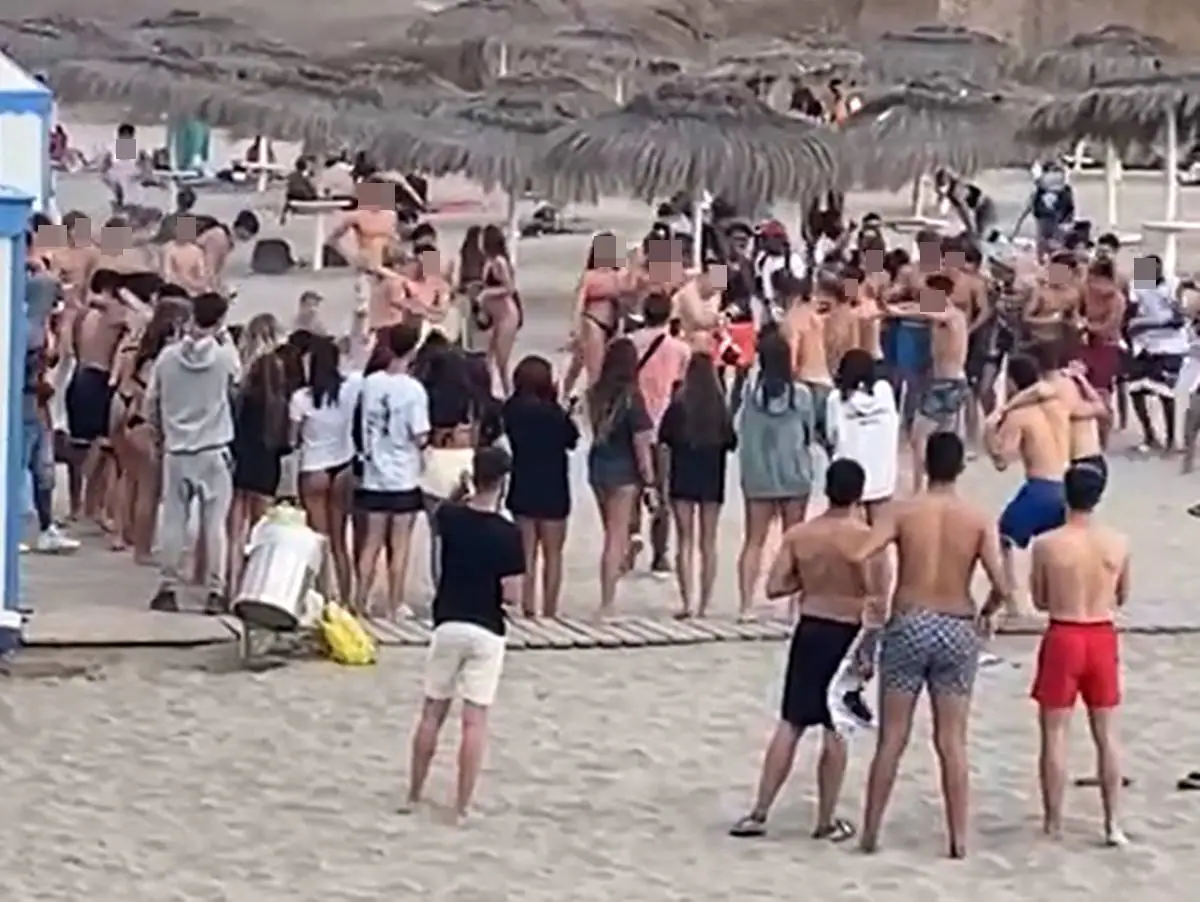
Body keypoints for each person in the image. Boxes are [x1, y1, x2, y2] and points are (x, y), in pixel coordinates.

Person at [851, 432, 1011, 858]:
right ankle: (958, 838)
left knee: (892, 737)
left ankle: (870, 833)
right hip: (956, 623)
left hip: (909, 620)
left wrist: (874, 599)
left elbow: (864, 550)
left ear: (926, 464)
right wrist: (989, 610)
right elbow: (1002, 582)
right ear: (959, 467)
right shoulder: (977, 518)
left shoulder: (903, 511)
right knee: (952, 739)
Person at [729, 459, 890, 842]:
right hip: (847, 631)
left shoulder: (802, 536)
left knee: (792, 721)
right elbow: (879, 597)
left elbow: (775, 586)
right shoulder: (867, 539)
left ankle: (760, 810)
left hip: (811, 625)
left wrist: (809, 579)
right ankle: (825, 818)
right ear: (859, 494)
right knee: (836, 727)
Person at [402, 446, 525, 824]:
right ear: (503, 481)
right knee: (474, 720)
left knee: (432, 711)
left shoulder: (451, 517)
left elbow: (449, 508)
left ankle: (415, 791)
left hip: (449, 620)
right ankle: (462, 805)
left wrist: (461, 489)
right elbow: (513, 594)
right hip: (486, 626)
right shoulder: (508, 533)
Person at [1029, 463, 1129, 846]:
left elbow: (1039, 599)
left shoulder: (1048, 544)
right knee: (1106, 733)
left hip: (1064, 631)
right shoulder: (1117, 543)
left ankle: (1054, 820)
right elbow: (1122, 595)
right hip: (1101, 633)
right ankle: (1112, 822)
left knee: (1055, 732)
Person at [145, 291, 241, 614]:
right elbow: (237, 381)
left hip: (177, 448)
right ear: (221, 321)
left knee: (173, 521)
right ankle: (215, 591)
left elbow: (151, 403)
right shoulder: (225, 357)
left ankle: (167, 587)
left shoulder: (168, 357)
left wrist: (160, 434)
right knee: (214, 525)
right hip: (214, 448)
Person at [736, 326, 816, 621]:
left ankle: (745, 604)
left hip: (759, 475)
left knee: (753, 540)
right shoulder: (802, 395)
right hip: (794, 473)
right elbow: (809, 434)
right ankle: (794, 607)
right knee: (793, 540)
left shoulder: (750, 394)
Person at [985, 354, 1071, 618]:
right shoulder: (1056, 403)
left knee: (1002, 539)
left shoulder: (1019, 416)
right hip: (1067, 485)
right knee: (1060, 546)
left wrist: (990, 430)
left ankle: (1009, 601)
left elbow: (1002, 460)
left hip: (1040, 487)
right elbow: (1045, 389)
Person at [353, 323, 428, 620]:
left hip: (374, 471)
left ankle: (359, 600)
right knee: (400, 545)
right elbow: (420, 435)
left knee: (370, 542)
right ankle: (395, 603)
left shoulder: (371, 383)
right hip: (403, 474)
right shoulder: (414, 390)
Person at [657, 351, 737, 618]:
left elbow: (664, 438)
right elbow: (731, 442)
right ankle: (705, 603)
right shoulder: (719, 407)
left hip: (683, 475)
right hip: (712, 475)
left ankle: (686, 601)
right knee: (708, 541)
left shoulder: (679, 406)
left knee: (684, 540)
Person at [586, 337, 658, 619]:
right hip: (623, 469)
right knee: (616, 536)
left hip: (598, 465)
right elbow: (642, 444)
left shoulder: (595, 394)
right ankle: (607, 602)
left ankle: (622, 561)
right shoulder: (633, 397)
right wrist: (649, 480)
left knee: (611, 531)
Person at [503, 355, 579, 618]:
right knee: (553, 554)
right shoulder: (553, 413)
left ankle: (528, 607)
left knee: (527, 553)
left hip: (523, 482)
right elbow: (572, 440)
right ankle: (550, 609)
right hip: (554, 486)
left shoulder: (512, 410)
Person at [291, 336, 362, 602]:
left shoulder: (302, 398)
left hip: (314, 467)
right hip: (342, 465)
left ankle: (322, 597)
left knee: (317, 541)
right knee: (339, 541)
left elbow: (292, 438)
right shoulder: (350, 388)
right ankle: (346, 598)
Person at [627, 290, 690, 574]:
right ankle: (660, 554)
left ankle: (630, 538)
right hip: (664, 425)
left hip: (632, 422)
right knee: (662, 493)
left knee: (629, 489)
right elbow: (682, 389)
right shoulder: (680, 350)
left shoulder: (628, 345)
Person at [228, 352, 291, 595]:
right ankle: (252, 587)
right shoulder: (281, 405)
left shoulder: (242, 400)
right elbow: (285, 445)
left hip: (241, 466)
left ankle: (230, 585)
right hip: (267, 471)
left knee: (235, 535)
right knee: (259, 534)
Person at [825, 349, 899, 523]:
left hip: (849, 482)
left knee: (853, 539)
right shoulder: (885, 391)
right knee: (878, 537)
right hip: (883, 478)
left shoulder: (836, 400)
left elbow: (831, 436)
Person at [1127, 254, 1187, 453]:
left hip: (1170, 346)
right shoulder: (1138, 283)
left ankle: (1171, 440)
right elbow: (1132, 312)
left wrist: (1146, 324)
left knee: (1164, 392)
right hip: (1144, 345)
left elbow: (1179, 320)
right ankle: (1149, 435)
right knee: (1135, 390)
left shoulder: (1172, 285)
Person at [478, 225, 521, 393]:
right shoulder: (489, 261)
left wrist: (487, 294)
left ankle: (508, 393)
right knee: (485, 360)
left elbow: (509, 287)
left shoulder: (499, 262)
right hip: (492, 316)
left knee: (502, 361)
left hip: (506, 315)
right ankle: (485, 393)